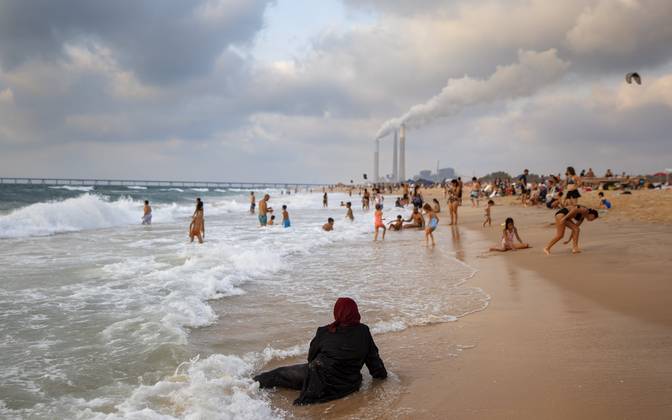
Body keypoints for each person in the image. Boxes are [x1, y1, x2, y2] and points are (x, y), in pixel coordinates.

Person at [254, 297, 387, 405]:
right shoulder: (364, 331)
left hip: (319, 386)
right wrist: (383, 377)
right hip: (349, 386)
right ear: (355, 312)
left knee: (276, 375)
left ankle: (247, 387)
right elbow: (374, 363)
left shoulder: (325, 332)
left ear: (337, 313)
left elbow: (311, 358)